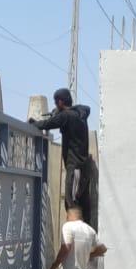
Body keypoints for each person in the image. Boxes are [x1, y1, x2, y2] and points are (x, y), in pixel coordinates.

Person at [30, 88, 96, 224]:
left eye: (56, 103)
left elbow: (48, 124)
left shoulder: (66, 116)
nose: (56, 105)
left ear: (60, 102)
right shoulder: (79, 113)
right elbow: (81, 110)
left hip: (75, 167)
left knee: (71, 203)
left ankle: (75, 234)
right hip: (83, 167)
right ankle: (87, 233)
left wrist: (34, 123)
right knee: (83, 202)